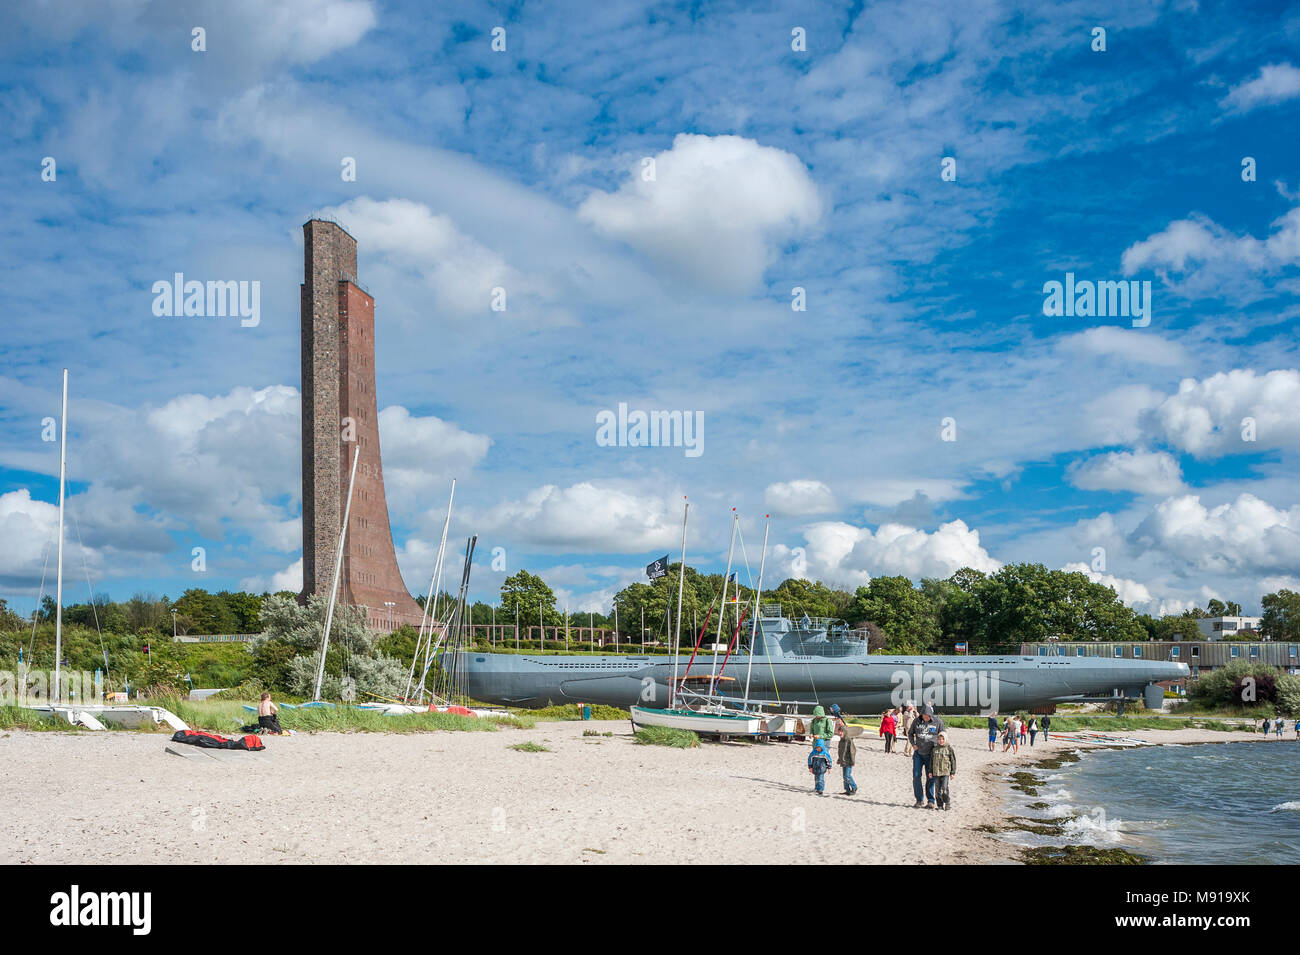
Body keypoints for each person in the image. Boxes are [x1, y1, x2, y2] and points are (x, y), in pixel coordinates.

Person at [909, 704, 946, 808]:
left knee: (930, 777)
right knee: (916, 776)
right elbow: (910, 733)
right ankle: (919, 800)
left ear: (931, 714)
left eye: (927, 716)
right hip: (918, 754)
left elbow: (944, 735)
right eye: (924, 715)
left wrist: (940, 747)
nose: (925, 717)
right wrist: (913, 744)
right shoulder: (916, 721)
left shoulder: (937, 722)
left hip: (931, 755)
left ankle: (930, 801)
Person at [929, 731, 957, 810]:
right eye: (939, 739)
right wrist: (930, 771)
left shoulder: (949, 749)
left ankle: (947, 803)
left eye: (942, 739)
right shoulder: (934, 749)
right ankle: (940, 805)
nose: (941, 741)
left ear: (945, 739)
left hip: (945, 772)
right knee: (937, 789)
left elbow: (953, 761)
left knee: (944, 788)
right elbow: (931, 761)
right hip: (936, 772)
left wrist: (952, 772)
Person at [836, 724, 858, 795]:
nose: (840, 733)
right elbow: (841, 751)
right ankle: (847, 789)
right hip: (843, 761)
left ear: (845, 732)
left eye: (841, 732)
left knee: (847, 775)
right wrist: (839, 759)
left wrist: (852, 761)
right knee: (844, 776)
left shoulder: (848, 740)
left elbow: (852, 751)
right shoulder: (841, 741)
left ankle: (854, 787)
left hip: (848, 761)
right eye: (839, 732)